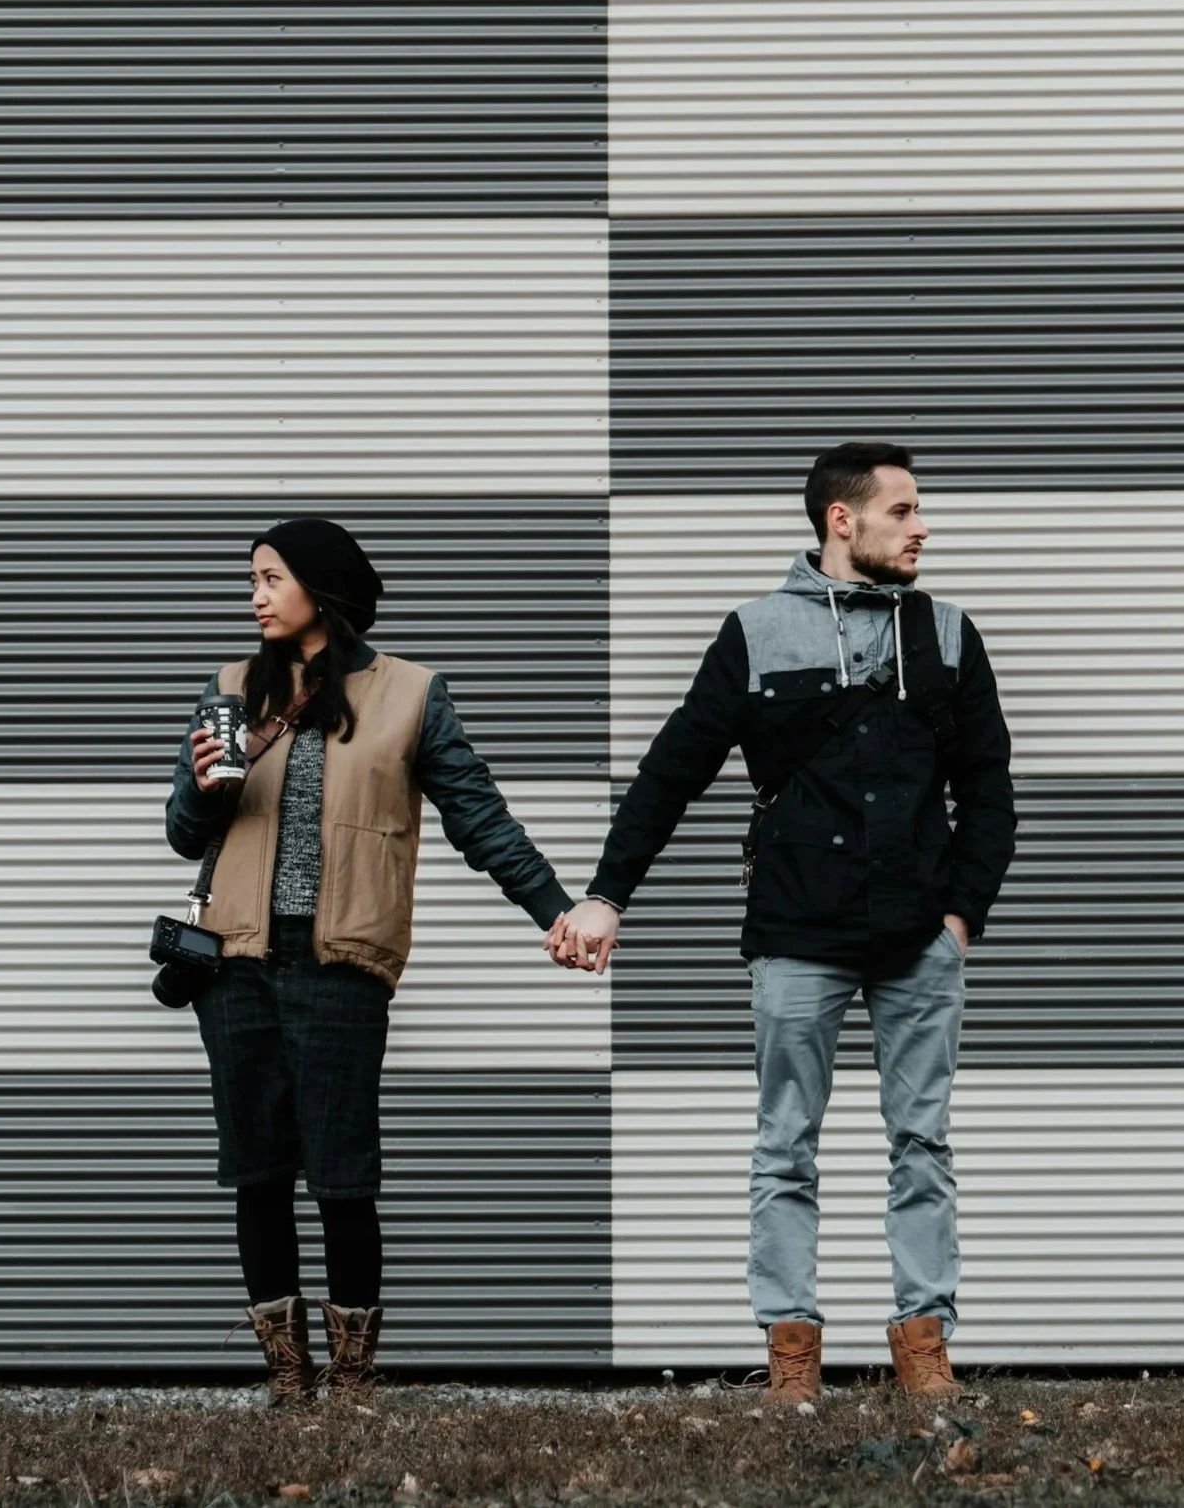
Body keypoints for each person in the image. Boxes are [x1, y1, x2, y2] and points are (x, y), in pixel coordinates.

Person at [550, 443, 1015, 1403]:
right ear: (842, 520)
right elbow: (672, 771)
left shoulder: (949, 634)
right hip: (797, 932)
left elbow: (990, 791)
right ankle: (791, 1352)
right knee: (785, 1144)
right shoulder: (756, 632)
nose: (923, 528)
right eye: (902, 511)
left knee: (922, 1144)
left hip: (918, 938)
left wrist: (960, 916)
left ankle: (925, 1346)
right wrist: (606, 893)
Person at [166, 517, 574, 1404]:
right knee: (257, 1175)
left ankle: (351, 1379)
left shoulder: (411, 695)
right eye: (252, 580)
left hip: (343, 965)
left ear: (322, 589)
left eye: (271, 578)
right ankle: (288, 1377)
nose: (255, 596)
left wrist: (556, 909)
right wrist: (200, 792)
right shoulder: (230, 689)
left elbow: (480, 819)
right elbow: (183, 834)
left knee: (343, 1177)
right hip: (235, 967)